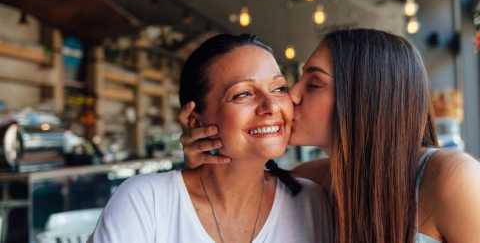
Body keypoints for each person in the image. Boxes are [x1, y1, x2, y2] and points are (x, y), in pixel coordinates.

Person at [179, 28, 480, 243]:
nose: (291, 96)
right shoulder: (309, 182)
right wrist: (208, 163)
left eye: (313, 84)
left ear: (364, 97)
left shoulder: (451, 179)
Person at [89, 34, 333, 243]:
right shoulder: (146, 201)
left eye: (278, 88)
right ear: (195, 121)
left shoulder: (311, 202)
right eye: (243, 94)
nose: (270, 106)